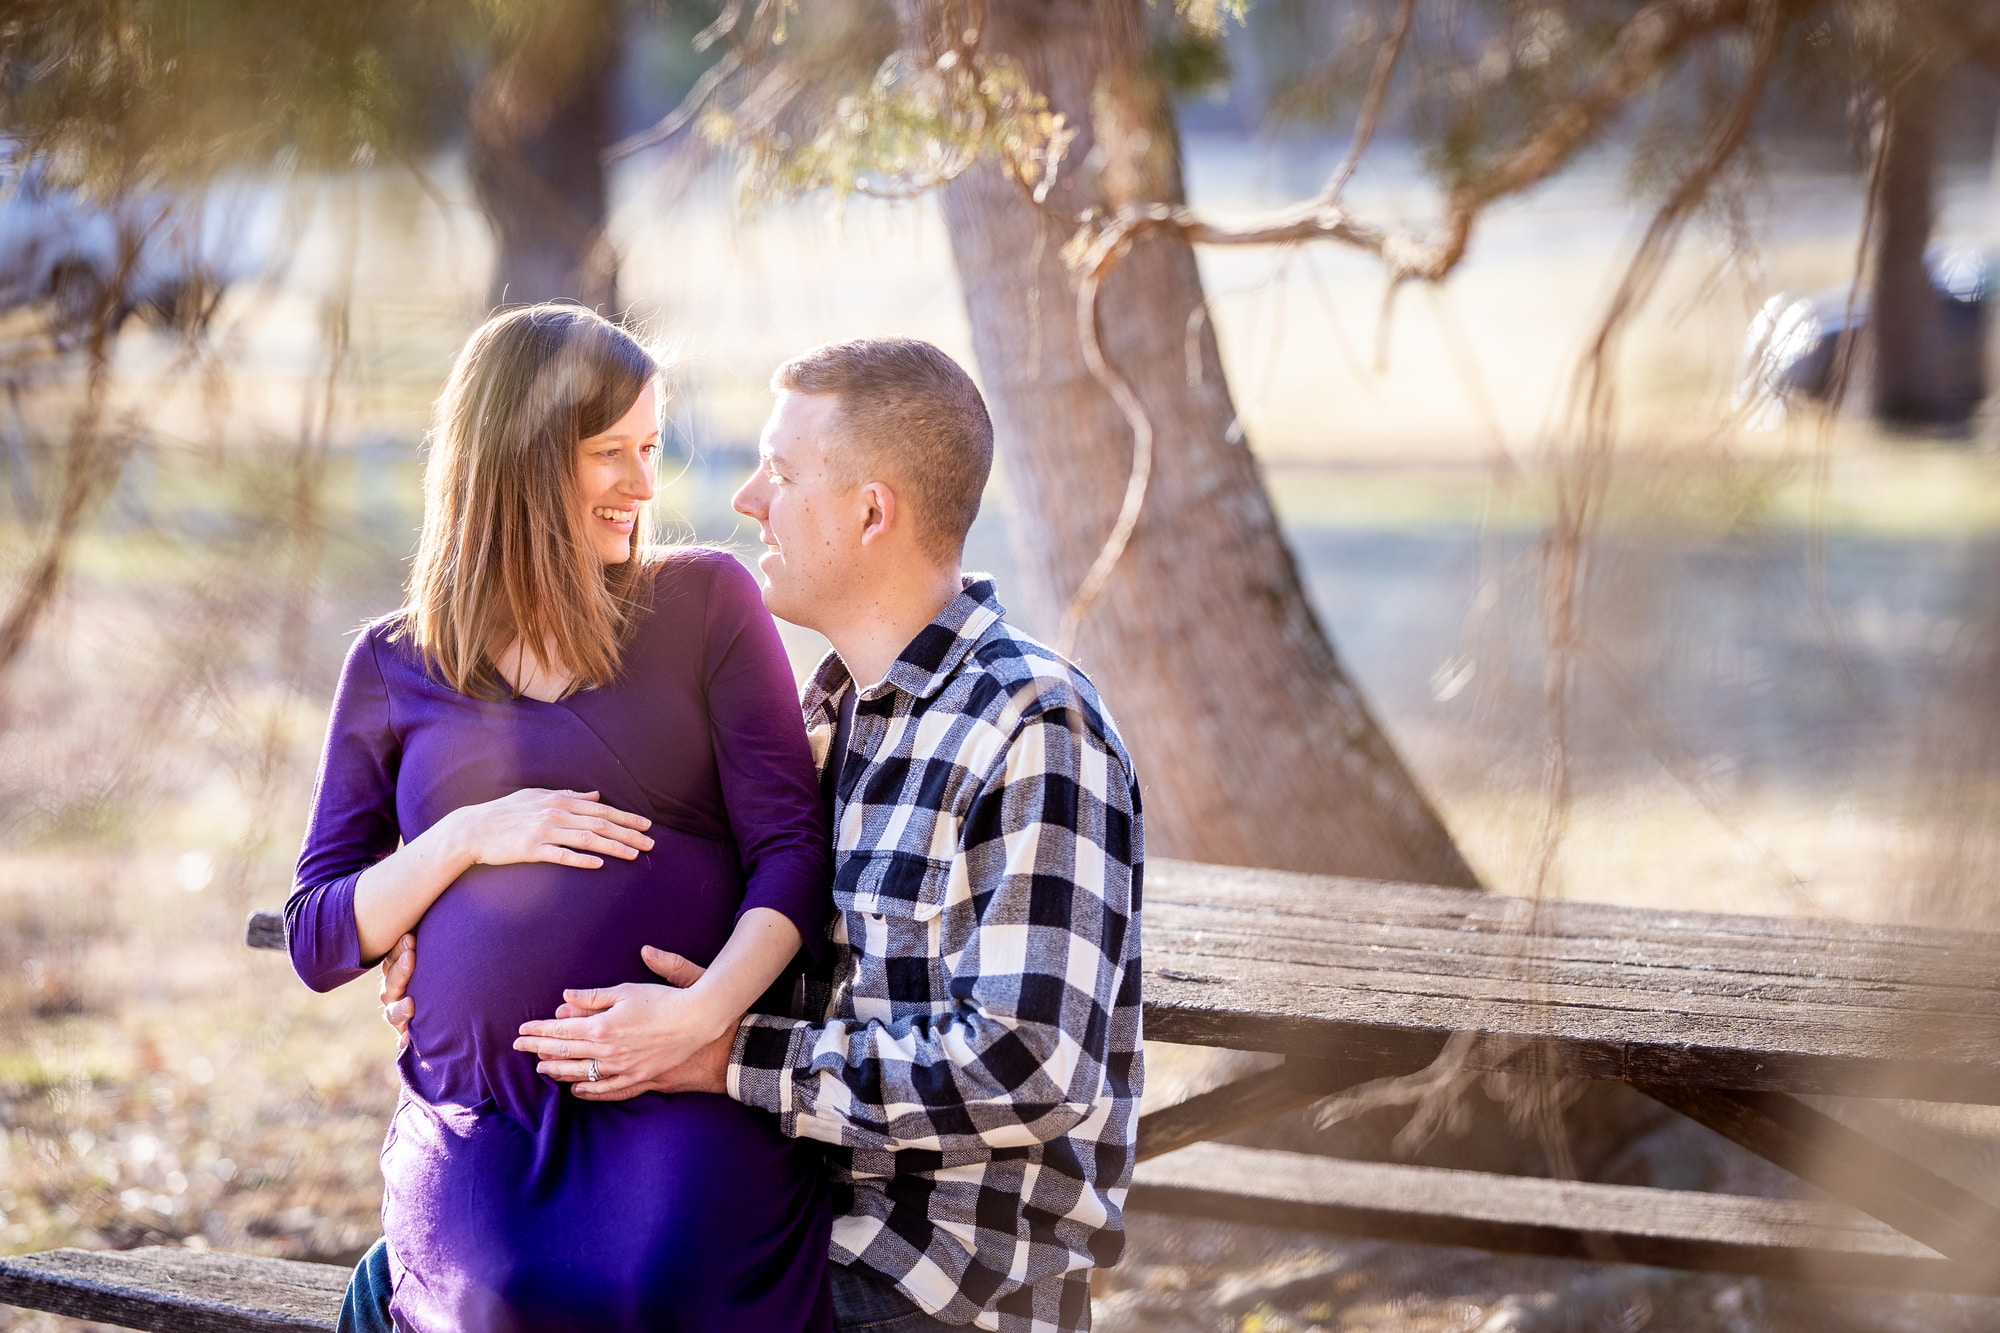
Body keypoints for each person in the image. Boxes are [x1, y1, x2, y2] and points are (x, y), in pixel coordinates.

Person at [506, 337, 1145, 1331]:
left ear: (870, 510)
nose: (748, 499)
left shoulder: (1032, 726)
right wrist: (438, 921)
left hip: (922, 1284)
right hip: (762, 1219)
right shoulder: (817, 719)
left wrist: (725, 1056)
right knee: (423, 1282)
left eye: (783, 471)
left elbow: (1026, 1067)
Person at [289, 304, 834, 1333]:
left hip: (676, 1092)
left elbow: (792, 851)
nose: (643, 485)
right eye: (609, 454)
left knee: (660, 1280)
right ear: (521, 462)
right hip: (479, 1118)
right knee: (492, 1304)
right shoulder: (392, 665)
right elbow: (318, 935)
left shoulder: (705, 605)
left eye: (650, 448)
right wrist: (460, 842)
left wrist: (703, 1011)